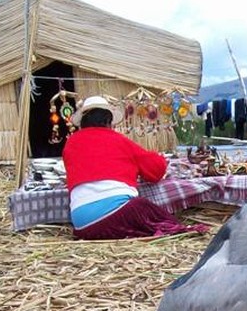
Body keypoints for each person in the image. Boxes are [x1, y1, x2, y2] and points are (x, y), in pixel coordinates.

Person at [62, 95, 183, 240]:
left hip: (82, 227)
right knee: (149, 211)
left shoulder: (71, 143)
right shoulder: (119, 140)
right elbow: (155, 170)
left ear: (83, 122)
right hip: (117, 216)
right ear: (108, 122)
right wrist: (161, 160)